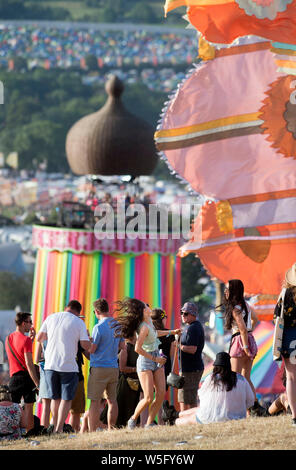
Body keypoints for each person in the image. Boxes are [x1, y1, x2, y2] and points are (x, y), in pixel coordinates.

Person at [113, 297, 181, 429]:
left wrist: (172, 331)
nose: (150, 307)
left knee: (161, 393)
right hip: (145, 362)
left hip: (156, 358)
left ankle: (149, 423)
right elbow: (138, 349)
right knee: (149, 397)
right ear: (144, 311)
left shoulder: (149, 321)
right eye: (147, 306)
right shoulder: (143, 327)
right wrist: (156, 359)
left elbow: (155, 333)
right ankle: (132, 420)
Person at [36, 300, 91, 433]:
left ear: (66, 307)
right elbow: (85, 346)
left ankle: (54, 425)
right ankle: (59, 429)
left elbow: (39, 338)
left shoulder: (51, 317)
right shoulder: (78, 322)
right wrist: (87, 338)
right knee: (66, 399)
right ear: (79, 312)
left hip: (50, 365)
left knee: (55, 398)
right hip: (68, 366)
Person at [163, 352, 254, 426]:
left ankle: (172, 421)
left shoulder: (211, 378)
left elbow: (201, 396)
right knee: (197, 410)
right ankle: (173, 414)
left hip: (213, 419)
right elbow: (250, 401)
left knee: (189, 419)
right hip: (237, 418)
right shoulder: (241, 379)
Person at [222, 279, 265, 416]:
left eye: (228, 289)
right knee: (246, 378)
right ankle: (253, 408)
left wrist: (245, 346)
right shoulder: (245, 305)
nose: (225, 291)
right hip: (250, 339)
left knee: (235, 378)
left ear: (233, 291)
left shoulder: (235, 308)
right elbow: (256, 319)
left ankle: (238, 409)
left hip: (240, 341)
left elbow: (242, 329)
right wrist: (248, 337)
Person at [87, 298, 124, 432]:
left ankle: (92, 431)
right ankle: (111, 428)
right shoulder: (117, 325)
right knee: (112, 400)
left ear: (97, 311)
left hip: (99, 368)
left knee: (95, 401)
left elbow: (93, 349)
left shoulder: (98, 327)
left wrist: (86, 342)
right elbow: (122, 346)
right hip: (113, 367)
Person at [5, 312, 39, 433]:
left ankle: (11, 431)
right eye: (30, 322)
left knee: (12, 407)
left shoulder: (8, 338)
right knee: (29, 406)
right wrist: (37, 383)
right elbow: (29, 364)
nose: (31, 325)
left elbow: (18, 353)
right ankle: (30, 432)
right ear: (23, 323)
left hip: (13, 377)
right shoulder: (26, 340)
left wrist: (31, 340)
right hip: (26, 377)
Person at [100, 334, 141, 428]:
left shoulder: (139, 347)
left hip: (136, 384)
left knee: (133, 409)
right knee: (122, 410)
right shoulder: (126, 348)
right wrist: (136, 369)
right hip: (125, 384)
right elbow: (122, 368)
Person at [274, 263, 296, 426]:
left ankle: (295, 415)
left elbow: (276, 317)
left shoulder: (285, 294)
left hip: (289, 339)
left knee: (291, 377)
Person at [178, 302, 205, 412]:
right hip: (191, 368)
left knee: (186, 399)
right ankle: (189, 421)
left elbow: (193, 349)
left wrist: (179, 346)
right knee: (187, 397)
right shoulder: (191, 326)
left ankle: (187, 422)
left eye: (185, 313)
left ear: (193, 314)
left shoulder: (193, 328)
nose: (182, 315)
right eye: (181, 313)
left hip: (191, 369)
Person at [151, 308, 176, 424]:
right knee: (161, 395)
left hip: (150, 365)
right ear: (162, 319)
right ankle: (161, 421)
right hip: (164, 366)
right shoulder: (169, 334)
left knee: (148, 395)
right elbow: (171, 354)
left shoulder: (149, 333)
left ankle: (149, 421)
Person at [35, 340, 51, 430]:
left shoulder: (41, 337)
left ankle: (44, 429)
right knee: (57, 402)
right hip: (58, 369)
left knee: (46, 403)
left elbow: (37, 359)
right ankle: (56, 428)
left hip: (45, 370)